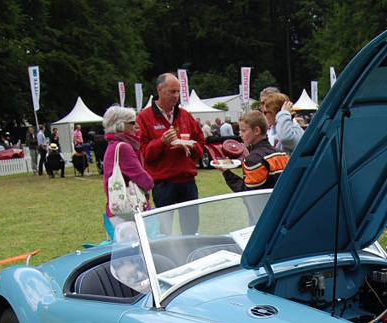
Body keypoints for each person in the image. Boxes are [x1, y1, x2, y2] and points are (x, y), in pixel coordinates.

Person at [136, 72, 206, 207]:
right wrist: (161, 143)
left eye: (178, 92)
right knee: (165, 226)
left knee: (191, 225)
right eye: (172, 92)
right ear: (159, 90)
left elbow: (201, 145)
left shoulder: (185, 116)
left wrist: (192, 147)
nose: (176, 96)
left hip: (187, 181)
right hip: (163, 183)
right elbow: (143, 154)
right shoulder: (144, 117)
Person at [102, 105, 153, 229]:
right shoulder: (123, 147)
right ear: (121, 125)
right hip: (128, 211)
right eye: (133, 122)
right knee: (134, 246)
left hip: (119, 210)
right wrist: (150, 182)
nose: (137, 126)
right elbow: (142, 178)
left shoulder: (113, 145)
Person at [221, 111, 289, 192]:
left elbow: (248, 194)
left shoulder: (254, 159)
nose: (240, 134)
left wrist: (226, 173)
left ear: (257, 130)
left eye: (243, 131)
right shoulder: (282, 154)